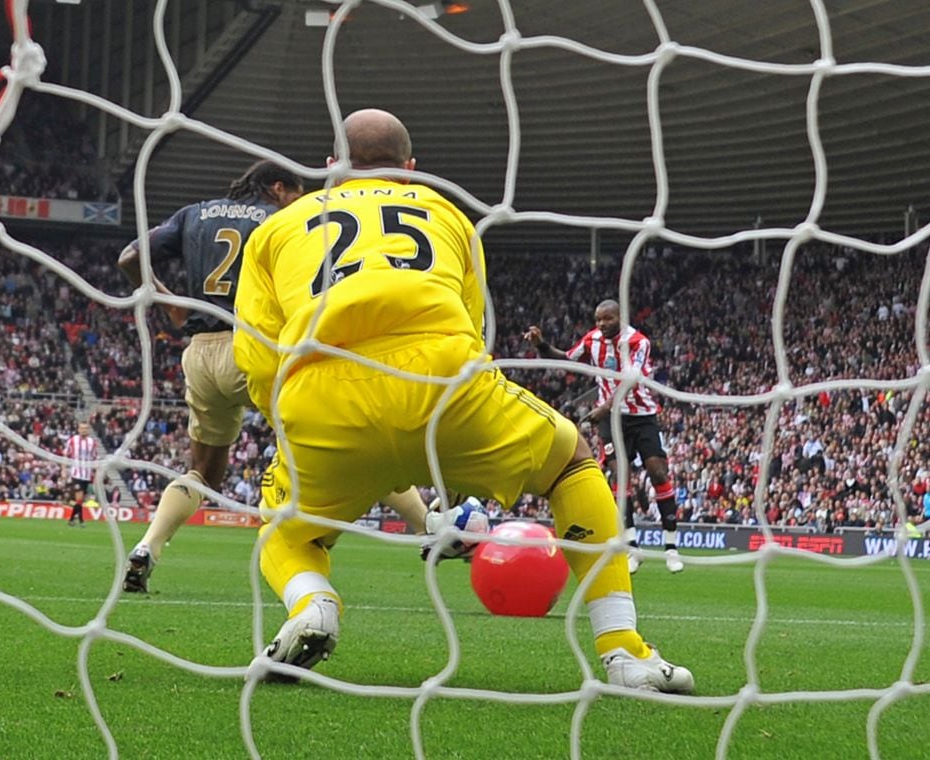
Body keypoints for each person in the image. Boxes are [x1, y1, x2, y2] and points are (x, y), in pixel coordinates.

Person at [233, 108, 694, 692]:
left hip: (325, 398)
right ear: (411, 170)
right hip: (444, 386)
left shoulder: (277, 229)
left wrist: (292, 418)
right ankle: (624, 652)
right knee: (574, 461)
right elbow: (475, 327)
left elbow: (255, 355)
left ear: (330, 169)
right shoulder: (449, 215)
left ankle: (313, 604)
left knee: (283, 530)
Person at [117, 160, 433, 592]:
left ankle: (147, 547)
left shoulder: (194, 214)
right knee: (352, 436)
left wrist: (168, 302)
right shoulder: (285, 220)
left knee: (204, 472)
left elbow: (130, 256)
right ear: (278, 187)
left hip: (200, 354)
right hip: (255, 348)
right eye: (296, 192)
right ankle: (427, 528)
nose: (300, 201)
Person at [523, 300, 685, 574]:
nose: (601, 324)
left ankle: (671, 547)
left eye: (607, 319)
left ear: (620, 317)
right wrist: (541, 344)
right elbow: (566, 359)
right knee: (618, 474)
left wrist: (604, 406)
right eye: (598, 320)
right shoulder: (592, 340)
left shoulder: (638, 342)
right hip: (612, 420)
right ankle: (633, 548)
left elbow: (631, 379)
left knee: (658, 472)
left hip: (641, 415)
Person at [62, 421, 98, 527]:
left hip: (87, 474)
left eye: (86, 428)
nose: (84, 430)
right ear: (78, 429)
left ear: (88, 430)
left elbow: (94, 459)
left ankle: (72, 519)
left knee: (80, 499)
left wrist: (95, 474)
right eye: (82, 428)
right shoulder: (72, 440)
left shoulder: (92, 442)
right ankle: (81, 520)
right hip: (76, 473)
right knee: (79, 496)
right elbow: (65, 455)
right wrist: (63, 469)